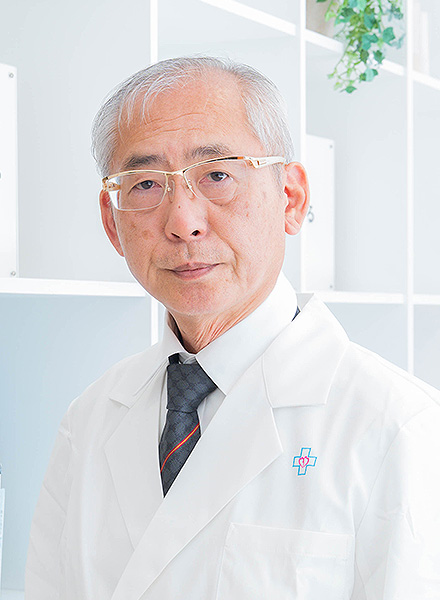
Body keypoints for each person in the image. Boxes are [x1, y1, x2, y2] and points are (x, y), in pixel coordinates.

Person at [25, 56, 440, 600]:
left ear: (290, 198)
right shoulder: (88, 420)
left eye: (218, 175)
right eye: (145, 184)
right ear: (111, 221)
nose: (183, 222)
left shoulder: (398, 427)